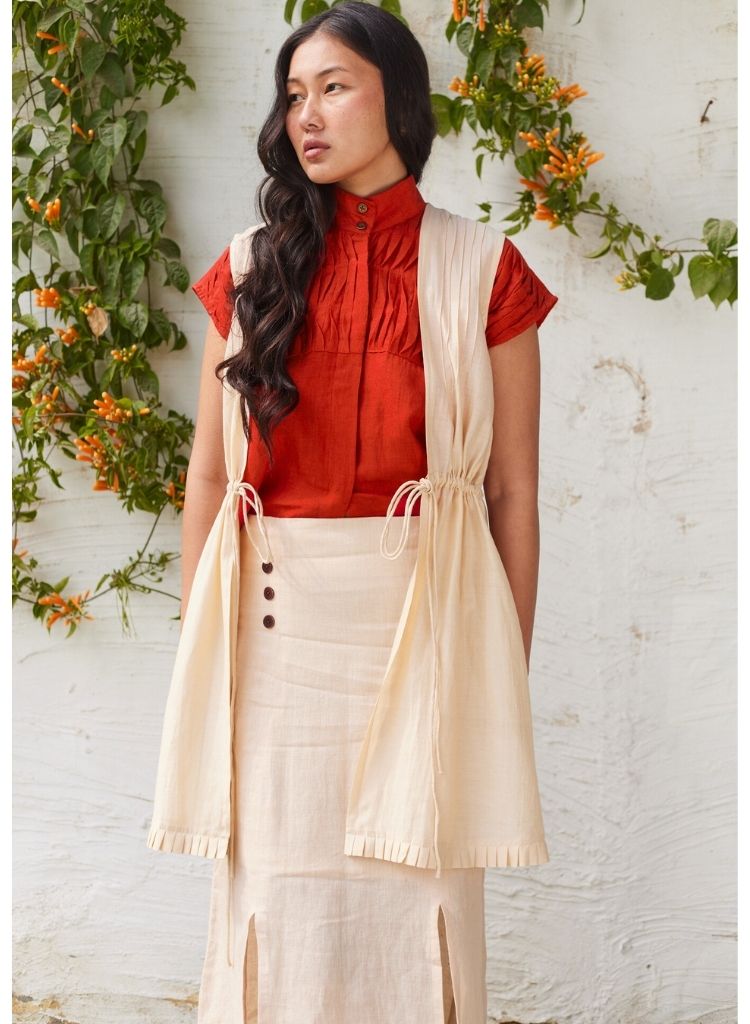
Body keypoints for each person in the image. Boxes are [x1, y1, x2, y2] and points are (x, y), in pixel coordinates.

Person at [155, 2, 558, 1021]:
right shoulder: (251, 271)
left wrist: (501, 661)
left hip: (429, 629)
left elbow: (510, 491)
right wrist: (200, 634)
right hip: (272, 636)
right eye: (294, 94)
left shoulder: (486, 272)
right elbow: (209, 479)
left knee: (423, 901)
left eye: (334, 87)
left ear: (399, 99)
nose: (307, 115)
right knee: (277, 901)